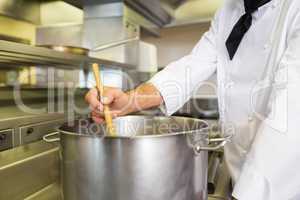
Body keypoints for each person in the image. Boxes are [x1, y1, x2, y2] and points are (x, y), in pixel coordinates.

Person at [86, 0, 300, 199]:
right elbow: (194, 65)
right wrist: (130, 101)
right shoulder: (230, 9)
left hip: (284, 186)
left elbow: (291, 114)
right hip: (240, 177)